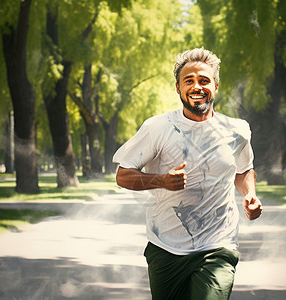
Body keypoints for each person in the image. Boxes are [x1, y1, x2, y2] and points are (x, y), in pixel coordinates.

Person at [112, 48, 262, 299]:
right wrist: (161, 181)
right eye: (189, 81)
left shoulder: (237, 131)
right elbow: (123, 175)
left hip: (218, 246)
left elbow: (244, 169)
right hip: (165, 248)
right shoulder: (157, 128)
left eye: (204, 81)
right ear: (178, 87)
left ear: (215, 86)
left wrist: (250, 195)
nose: (197, 87)